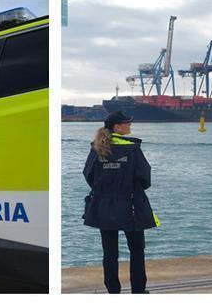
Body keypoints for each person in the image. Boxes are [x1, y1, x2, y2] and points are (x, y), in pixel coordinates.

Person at [83, 111, 158, 294]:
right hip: (130, 207)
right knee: (137, 250)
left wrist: (106, 191)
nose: (129, 126)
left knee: (109, 253)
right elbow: (145, 178)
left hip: (103, 207)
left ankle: (113, 292)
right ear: (117, 127)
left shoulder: (96, 148)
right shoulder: (133, 149)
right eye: (127, 123)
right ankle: (138, 292)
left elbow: (89, 174)